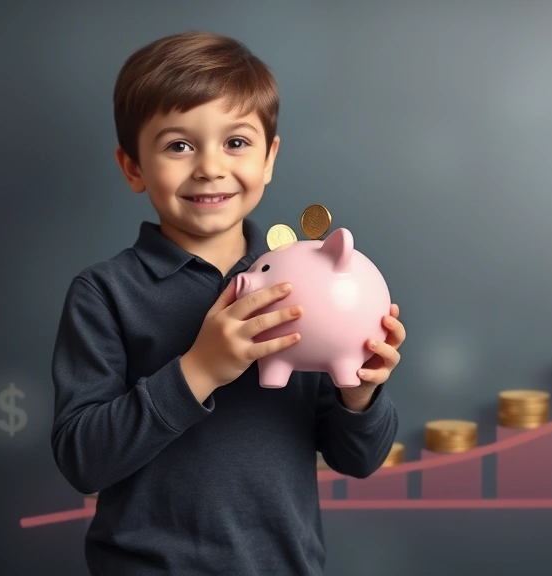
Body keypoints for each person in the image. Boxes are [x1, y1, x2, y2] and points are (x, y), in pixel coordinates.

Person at [49, 30, 404, 575]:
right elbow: (83, 461)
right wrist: (199, 370)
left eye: (236, 142)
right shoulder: (104, 293)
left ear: (269, 158)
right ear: (133, 166)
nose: (210, 167)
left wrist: (360, 393)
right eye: (179, 146)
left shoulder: (305, 289)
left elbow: (357, 460)